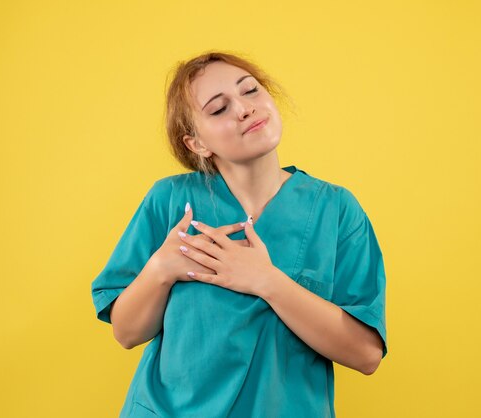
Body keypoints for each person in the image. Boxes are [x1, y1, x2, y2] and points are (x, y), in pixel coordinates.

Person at [91, 50, 388, 418]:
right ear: (197, 143)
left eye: (250, 91)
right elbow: (127, 333)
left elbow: (366, 354)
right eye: (218, 109)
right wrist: (160, 270)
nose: (244, 108)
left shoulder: (336, 210)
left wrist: (267, 281)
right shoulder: (170, 201)